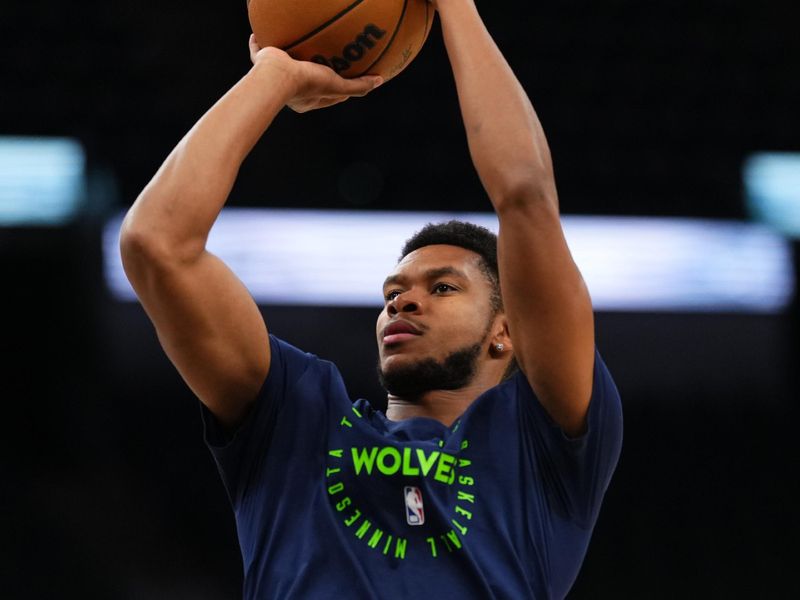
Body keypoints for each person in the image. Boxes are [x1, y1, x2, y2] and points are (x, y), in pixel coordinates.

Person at [119, 0, 623, 597]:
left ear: (504, 331)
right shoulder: (295, 418)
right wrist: (274, 76)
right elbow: (156, 243)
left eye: (442, 288)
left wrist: (453, 4)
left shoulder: (542, 443)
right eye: (393, 294)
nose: (403, 304)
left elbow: (524, 193)